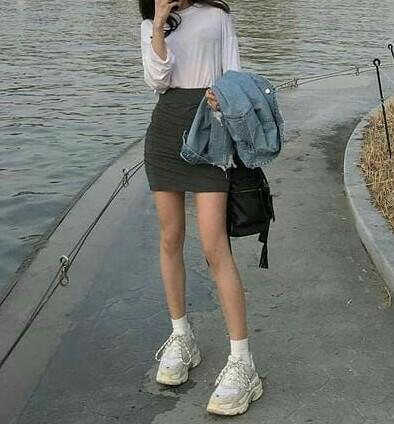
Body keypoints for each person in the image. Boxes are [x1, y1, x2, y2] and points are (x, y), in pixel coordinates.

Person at [139, 0, 263, 415]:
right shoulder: (151, 22)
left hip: (210, 132)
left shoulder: (217, 16)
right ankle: (181, 337)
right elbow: (156, 80)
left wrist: (224, 99)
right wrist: (159, 23)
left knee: (213, 246)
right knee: (170, 238)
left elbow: (235, 74)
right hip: (165, 133)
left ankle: (243, 363)